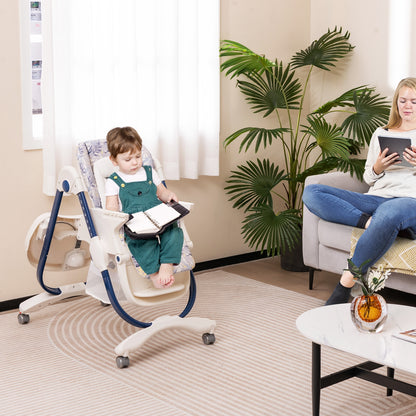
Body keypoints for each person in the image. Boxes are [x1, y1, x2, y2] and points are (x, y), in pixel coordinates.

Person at [302, 77, 416, 305]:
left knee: (390, 212)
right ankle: (371, 224)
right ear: (396, 103)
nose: (407, 106)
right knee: (312, 193)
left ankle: (345, 283)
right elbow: (367, 177)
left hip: (409, 201)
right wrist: (378, 167)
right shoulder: (381, 132)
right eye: (402, 100)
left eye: (414, 101)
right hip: (377, 197)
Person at [105, 126, 184, 289]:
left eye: (138, 156)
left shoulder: (150, 172)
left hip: (158, 216)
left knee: (174, 232)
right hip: (136, 223)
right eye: (128, 159)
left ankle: (167, 265)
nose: (135, 162)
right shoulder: (113, 181)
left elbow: (161, 192)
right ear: (114, 160)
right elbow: (111, 207)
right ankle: (155, 275)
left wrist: (169, 195)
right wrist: (116, 218)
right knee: (141, 244)